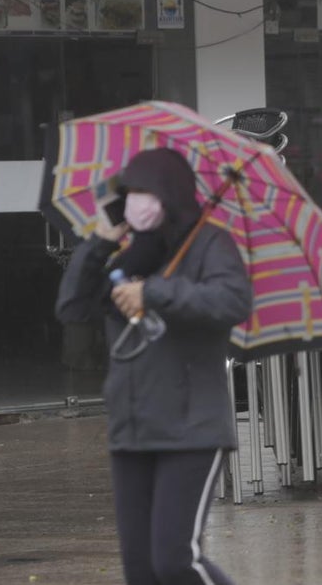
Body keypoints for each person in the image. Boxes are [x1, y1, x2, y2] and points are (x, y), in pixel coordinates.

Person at [56, 147, 252, 585]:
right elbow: (72, 307)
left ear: (170, 194)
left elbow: (232, 301)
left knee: (175, 561)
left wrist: (154, 293)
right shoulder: (129, 255)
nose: (136, 201)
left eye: (145, 191)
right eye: (130, 192)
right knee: (141, 571)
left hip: (191, 429)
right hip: (133, 430)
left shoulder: (209, 243)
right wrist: (100, 242)